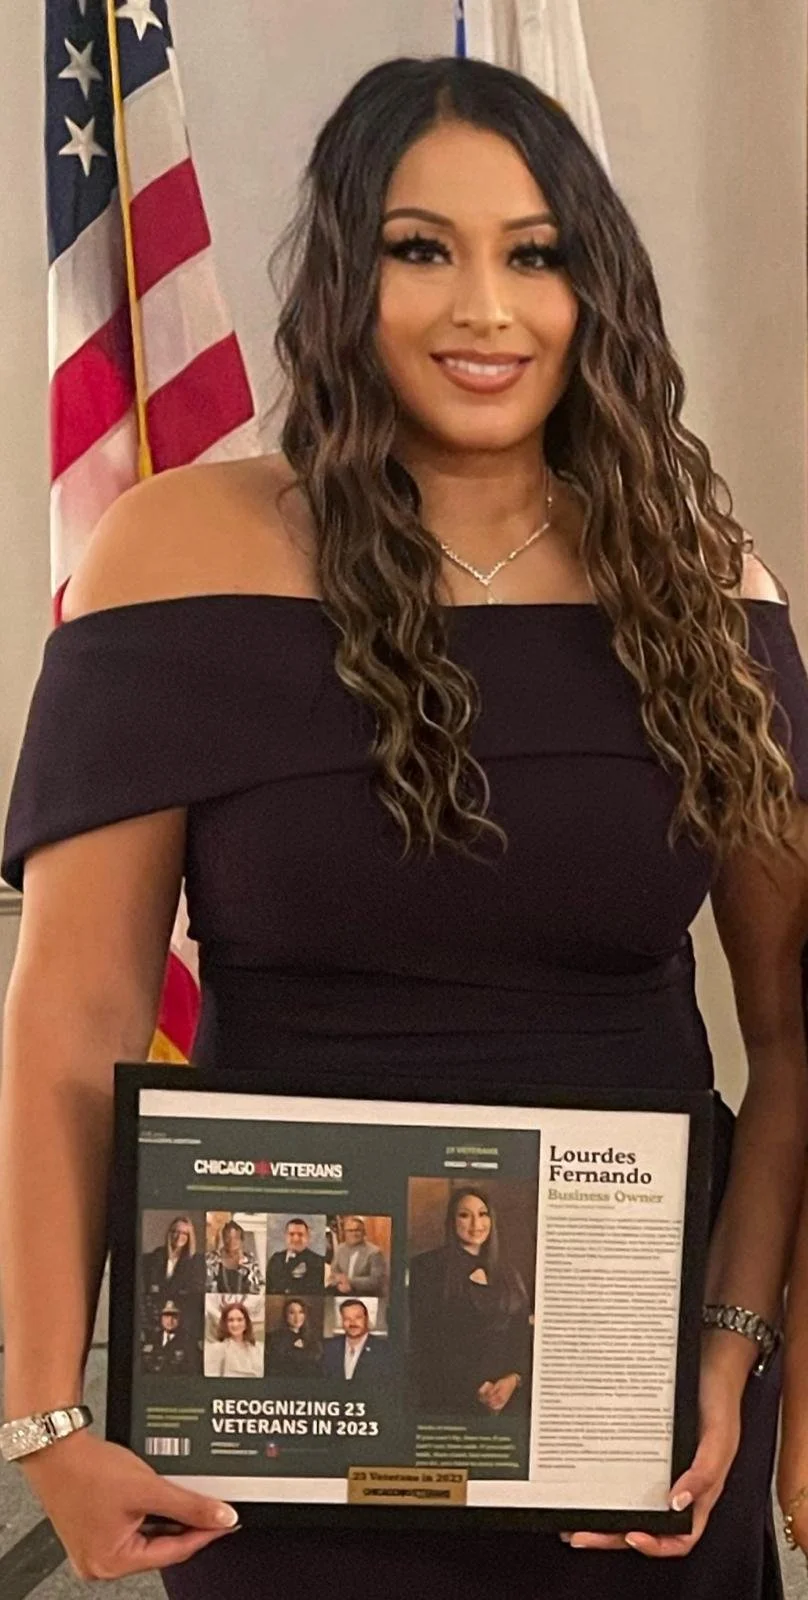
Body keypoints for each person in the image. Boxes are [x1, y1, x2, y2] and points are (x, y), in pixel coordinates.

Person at [2, 49, 808, 1600]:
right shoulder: (170, 555)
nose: (483, 311)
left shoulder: (712, 591)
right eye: (420, 249)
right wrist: (46, 1410)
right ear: (343, 277)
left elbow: (792, 1034)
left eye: (535, 255)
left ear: (597, 291)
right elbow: (72, 1016)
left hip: (632, 1411)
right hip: (274, 1425)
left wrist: (739, 1346)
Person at [409, 1186, 531, 1414]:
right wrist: (475, 1385)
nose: (476, 1224)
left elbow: (522, 1334)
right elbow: (425, 1339)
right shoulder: (427, 1267)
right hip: (450, 1397)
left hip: (508, 1398)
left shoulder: (509, 1273)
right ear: (452, 1221)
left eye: (483, 1214)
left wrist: (514, 1379)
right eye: (465, 1215)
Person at [142, 1216, 204, 1335]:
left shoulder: (195, 1262)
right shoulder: (155, 1257)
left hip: (182, 1318)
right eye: (175, 1231)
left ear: (189, 1237)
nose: (179, 1236)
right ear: (169, 1233)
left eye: (184, 1233)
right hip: (153, 1315)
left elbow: (193, 1294)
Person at [322, 1300, 390, 1383]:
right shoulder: (329, 1348)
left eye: (358, 1318)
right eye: (347, 1318)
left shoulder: (383, 1350)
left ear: (366, 1319)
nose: (352, 1323)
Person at [326, 1216, 388, 1296]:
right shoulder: (340, 1249)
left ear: (364, 1232)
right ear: (345, 1232)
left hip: (367, 1295)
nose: (354, 1233)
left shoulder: (375, 1252)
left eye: (357, 1230)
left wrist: (349, 1282)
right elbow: (334, 1272)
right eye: (350, 1230)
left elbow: (376, 1281)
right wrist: (339, 1283)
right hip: (341, 1292)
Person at [204, 1302, 264, 1380]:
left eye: (240, 1320)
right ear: (225, 1324)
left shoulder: (259, 1348)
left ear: (246, 1323)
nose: (235, 1324)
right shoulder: (217, 1349)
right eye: (230, 1320)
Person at [266, 1298, 324, 1378]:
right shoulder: (275, 1338)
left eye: (301, 1312)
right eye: (292, 1313)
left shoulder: (312, 1338)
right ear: (285, 1315)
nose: (297, 1317)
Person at [141, 1302, 201, 1377]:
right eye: (166, 1316)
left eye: (174, 1317)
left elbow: (193, 1370)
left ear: (180, 1318)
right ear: (161, 1318)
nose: (170, 1321)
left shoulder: (188, 1340)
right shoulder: (152, 1338)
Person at [205, 1221, 264, 1296]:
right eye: (227, 1237)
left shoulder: (250, 1260)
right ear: (223, 1238)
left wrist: (244, 1263)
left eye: (236, 1238)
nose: (231, 1241)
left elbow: (259, 1287)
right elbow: (205, 1287)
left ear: (241, 1240)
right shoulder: (211, 1258)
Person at [266, 1218, 325, 1294]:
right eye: (291, 1234)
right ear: (285, 1236)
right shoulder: (275, 1259)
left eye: (300, 1234)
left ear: (307, 1237)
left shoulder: (319, 1262)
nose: (296, 1239)